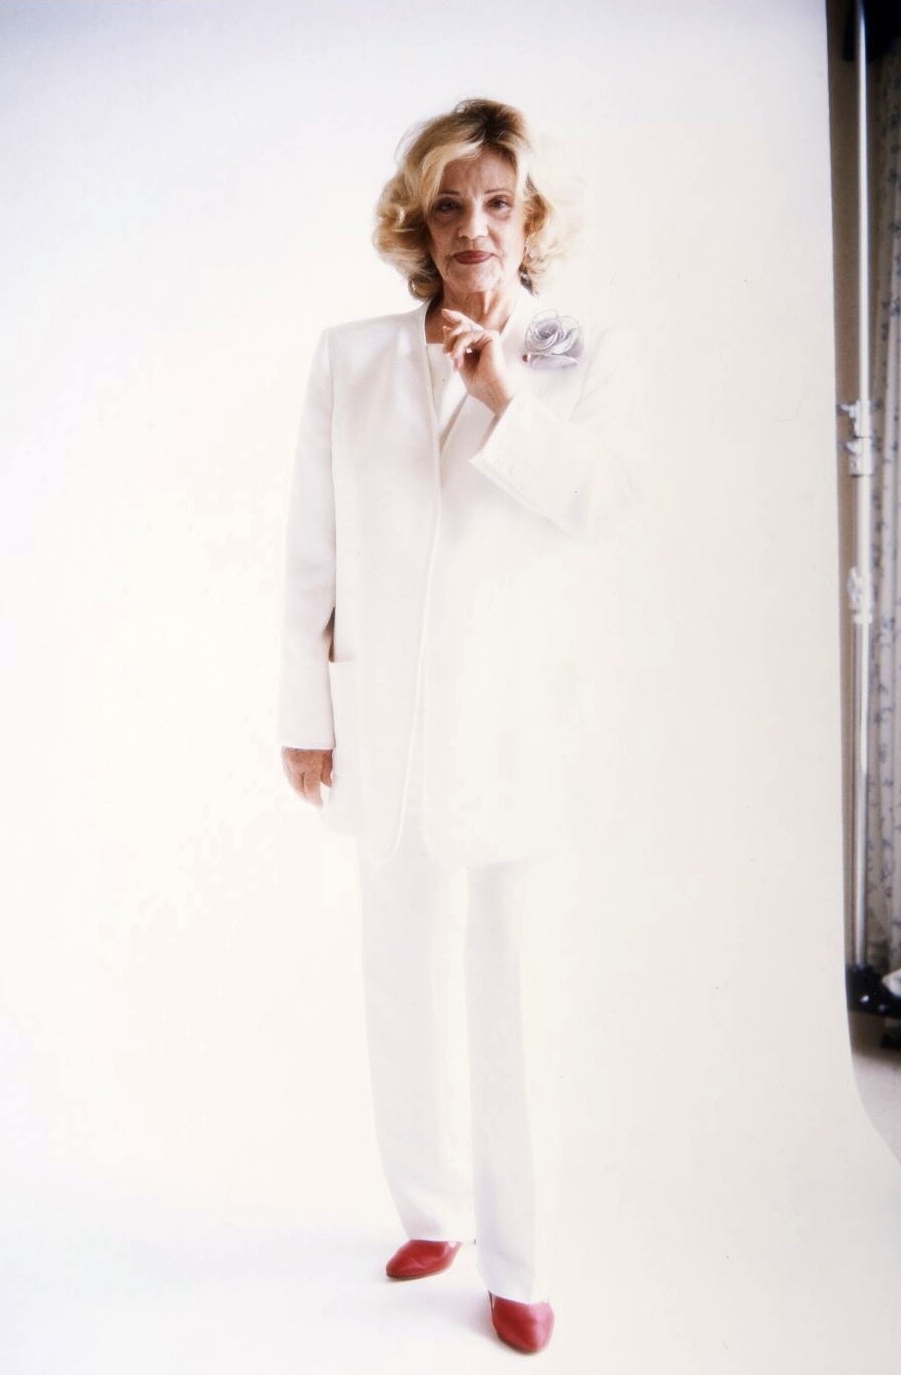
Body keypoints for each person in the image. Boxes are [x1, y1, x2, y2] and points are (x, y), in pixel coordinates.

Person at [277, 97, 644, 1355]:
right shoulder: (350, 358)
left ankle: (522, 1263)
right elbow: (313, 547)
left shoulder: (582, 354)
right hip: (386, 720)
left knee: (513, 995)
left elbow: (605, 506)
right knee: (401, 974)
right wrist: (306, 713)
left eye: (496, 203)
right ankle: (429, 1209)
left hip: (520, 727)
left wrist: (503, 397)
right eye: (448, 204)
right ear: (416, 221)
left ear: (529, 219)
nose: (472, 227)